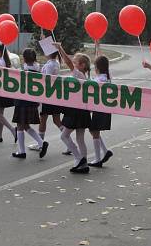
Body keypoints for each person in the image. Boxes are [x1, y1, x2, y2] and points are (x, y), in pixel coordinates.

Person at [53, 43, 92, 173]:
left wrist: (60, 49)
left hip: (76, 110)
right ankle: (83, 164)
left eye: (76, 63)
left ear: (82, 66)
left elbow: (68, 62)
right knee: (80, 138)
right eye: (74, 62)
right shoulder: (82, 75)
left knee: (64, 136)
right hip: (82, 109)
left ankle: (79, 158)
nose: (73, 64)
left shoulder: (79, 75)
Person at [11, 48, 49, 159]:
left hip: (22, 101)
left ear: (24, 58)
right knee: (25, 125)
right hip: (32, 101)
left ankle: (23, 151)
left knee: (20, 125)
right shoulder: (39, 71)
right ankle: (41, 143)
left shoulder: (23, 71)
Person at [30, 49, 65, 152]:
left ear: (48, 53)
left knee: (43, 119)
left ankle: (40, 143)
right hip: (54, 95)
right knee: (56, 120)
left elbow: (47, 79)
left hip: (48, 95)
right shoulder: (56, 62)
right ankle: (69, 141)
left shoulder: (50, 65)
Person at [88, 47, 114, 167]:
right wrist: (97, 46)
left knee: (94, 131)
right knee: (94, 131)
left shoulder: (100, 79)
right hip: (104, 108)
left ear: (97, 67)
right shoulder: (107, 76)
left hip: (100, 108)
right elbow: (102, 61)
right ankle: (105, 151)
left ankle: (98, 159)